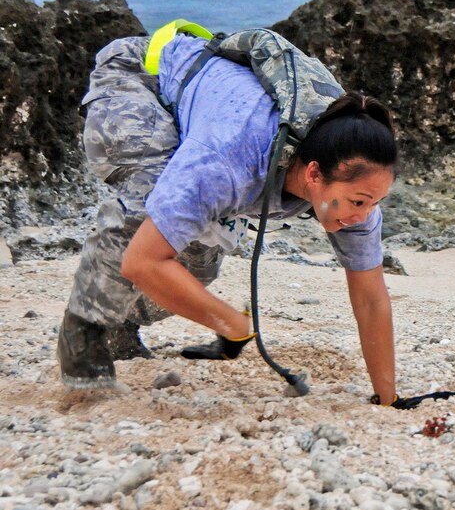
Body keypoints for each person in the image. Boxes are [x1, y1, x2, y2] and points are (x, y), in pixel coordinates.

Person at [57, 31, 399, 404]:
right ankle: (83, 339)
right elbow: (142, 261)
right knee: (145, 219)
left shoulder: (353, 186)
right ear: (314, 174)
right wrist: (233, 325)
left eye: (374, 202)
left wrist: (388, 397)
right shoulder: (228, 162)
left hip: (213, 120)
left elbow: (370, 298)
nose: (363, 216)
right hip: (140, 80)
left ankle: (121, 322)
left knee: (198, 265)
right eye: (359, 202)